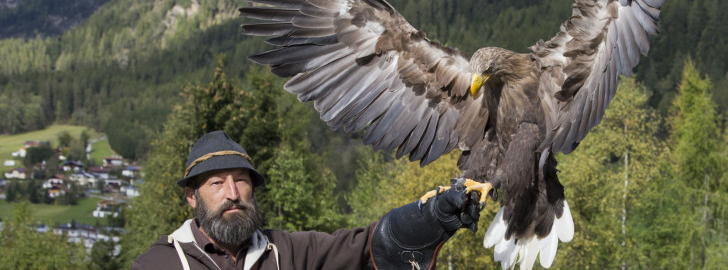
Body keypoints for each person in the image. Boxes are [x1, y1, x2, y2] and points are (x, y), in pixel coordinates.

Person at [131, 130, 483, 270]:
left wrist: (431, 218)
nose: (233, 194)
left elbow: (367, 248)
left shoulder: (286, 252)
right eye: (217, 184)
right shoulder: (159, 264)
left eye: (241, 181)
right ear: (192, 197)